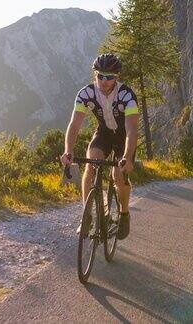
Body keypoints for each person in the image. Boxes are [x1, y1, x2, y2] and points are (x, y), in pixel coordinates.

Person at [60, 53, 139, 240]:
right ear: (95, 75)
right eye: (100, 76)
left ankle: (124, 214)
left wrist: (127, 157)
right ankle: (86, 217)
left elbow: (131, 130)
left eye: (109, 77)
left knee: (119, 176)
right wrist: (68, 151)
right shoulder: (86, 93)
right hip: (103, 133)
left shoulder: (127, 95)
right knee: (91, 165)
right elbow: (75, 124)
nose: (104, 81)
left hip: (123, 137)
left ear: (116, 77)